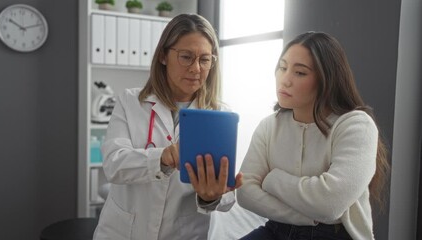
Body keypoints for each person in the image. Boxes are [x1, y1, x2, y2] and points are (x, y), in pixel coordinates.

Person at [93, 14, 243, 240]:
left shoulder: (219, 116)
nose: (196, 68)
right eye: (186, 57)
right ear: (163, 55)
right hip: (123, 232)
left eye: (205, 59)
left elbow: (226, 195)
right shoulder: (131, 102)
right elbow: (114, 164)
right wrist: (162, 157)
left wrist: (210, 197)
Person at [236, 31, 390, 240]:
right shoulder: (269, 126)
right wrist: (305, 216)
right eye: (282, 68)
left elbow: (330, 204)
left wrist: (272, 180)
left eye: (300, 73)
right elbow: (245, 193)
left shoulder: (356, 125)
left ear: (327, 79)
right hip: (276, 229)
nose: (285, 80)